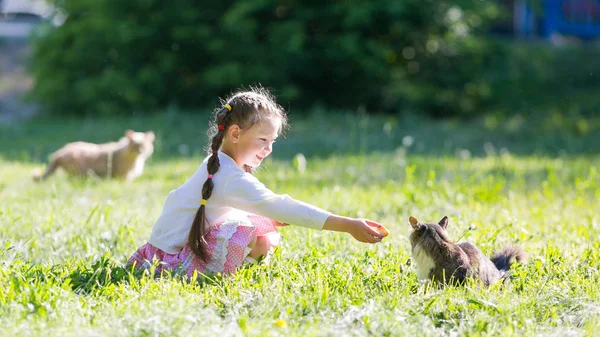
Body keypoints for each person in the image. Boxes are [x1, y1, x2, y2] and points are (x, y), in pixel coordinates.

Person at [128, 87, 388, 277]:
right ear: (235, 133)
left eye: (272, 141)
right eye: (263, 140)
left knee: (260, 227)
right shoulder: (227, 175)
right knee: (248, 227)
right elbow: (281, 205)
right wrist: (348, 225)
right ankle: (221, 277)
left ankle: (241, 274)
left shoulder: (218, 162)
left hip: (165, 251)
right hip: (166, 263)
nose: (269, 149)